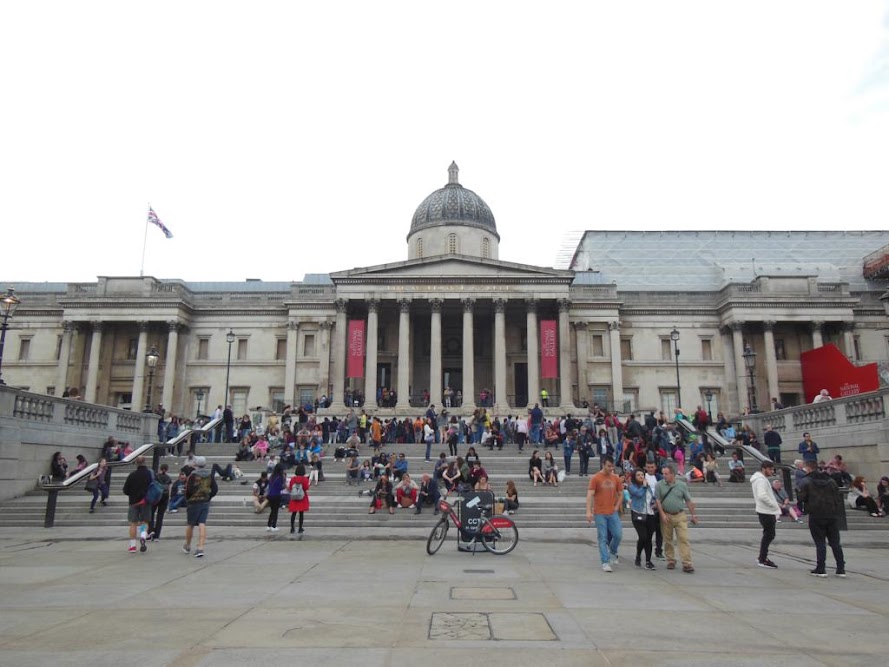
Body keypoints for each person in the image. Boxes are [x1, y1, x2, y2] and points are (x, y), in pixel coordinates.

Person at [797, 460, 846, 577]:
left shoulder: (806, 481)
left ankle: (821, 568)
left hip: (816, 514)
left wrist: (804, 508)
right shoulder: (830, 481)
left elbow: (801, 497)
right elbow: (837, 496)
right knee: (835, 543)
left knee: (820, 542)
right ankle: (841, 568)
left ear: (808, 468)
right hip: (831, 514)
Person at [655, 463, 698, 573]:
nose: (664, 476)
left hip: (680, 515)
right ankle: (670, 560)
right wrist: (662, 514)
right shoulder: (659, 485)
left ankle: (687, 563)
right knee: (668, 540)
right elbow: (658, 501)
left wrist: (693, 514)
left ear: (673, 474)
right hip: (667, 515)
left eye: (666, 474)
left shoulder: (681, 485)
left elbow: (688, 500)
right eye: (663, 473)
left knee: (683, 539)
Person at [586, 455, 623, 572]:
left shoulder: (615, 478)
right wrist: (588, 511)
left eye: (612, 466)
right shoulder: (596, 478)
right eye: (608, 466)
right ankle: (605, 561)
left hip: (612, 512)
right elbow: (590, 495)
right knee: (602, 537)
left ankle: (612, 550)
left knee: (618, 535)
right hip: (600, 512)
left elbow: (621, 493)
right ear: (603, 464)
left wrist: (617, 506)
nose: (611, 468)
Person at [182, 456, 218, 558]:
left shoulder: (192, 475)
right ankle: (200, 547)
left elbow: (188, 489)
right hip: (205, 501)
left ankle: (187, 545)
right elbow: (215, 489)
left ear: (196, 464)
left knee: (190, 524)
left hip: (194, 502)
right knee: (202, 523)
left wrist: (189, 498)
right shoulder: (209, 475)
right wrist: (209, 496)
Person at [751, 461, 782, 569]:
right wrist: (773, 505)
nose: (772, 472)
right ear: (764, 469)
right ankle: (762, 558)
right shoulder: (761, 481)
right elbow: (762, 496)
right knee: (769, 535)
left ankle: (762, 557)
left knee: (768, 534)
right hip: (766, 511)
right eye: (770, 469)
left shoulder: (760, 480)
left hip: (764, 510)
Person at [122, 455, 152, 554]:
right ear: (145, 462)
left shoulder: (132, 475)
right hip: (145, 501)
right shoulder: (149, 474)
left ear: (136, 463)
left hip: (133, 502)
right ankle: (143, 536)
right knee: (144, 521)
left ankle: (132, 546)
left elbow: (125, 490)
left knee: (133, 523)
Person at [628, 468, 657, 570]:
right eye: (638, 475)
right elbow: (639, 494)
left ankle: (648, 561)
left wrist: (654, 503)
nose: (641, 477)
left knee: (649, 538)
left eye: (642, 475)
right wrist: (644, 486)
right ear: (634, 477)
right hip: (638, 513)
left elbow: (652, 497)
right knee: (643, 537)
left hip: (649, 513)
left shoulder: (648, 487)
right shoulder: (632, 487)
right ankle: (638, 554)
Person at [644, 462, 664, 560]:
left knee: (659, 530)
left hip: (658, 507)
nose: (650, 469)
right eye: (648, 467)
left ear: (655, 467)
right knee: (649, 531)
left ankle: (659, 550)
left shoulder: (659, 477)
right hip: (647, 508)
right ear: (645, 467)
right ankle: (647, 550)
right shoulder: (643, 477)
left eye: (652, 467)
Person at [148, 463, 172, 541]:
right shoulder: (168, 478)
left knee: (151, 514)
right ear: (167, 469)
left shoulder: (156, 476)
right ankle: (157, 536)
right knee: (160, 516)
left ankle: (151, 530)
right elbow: (169, 489)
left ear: (160, 468)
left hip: (156, 497)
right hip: (164, 498)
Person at [288, 463, 310, 534]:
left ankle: (292, 528)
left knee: (293, 513)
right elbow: (306, 488)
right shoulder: (305, 479)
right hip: (302, 497)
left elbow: (290, 487)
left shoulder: (293, 479)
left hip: (294, 497)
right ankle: (300, 528)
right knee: (301, 513)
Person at [266, 463, 286, 532]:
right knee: (275, 511)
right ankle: (274, 526)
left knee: (272, 511)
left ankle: (268, 525)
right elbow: (280, 487)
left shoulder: (272, 476)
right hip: (276, 495)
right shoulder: (280, 477)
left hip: (270, 495)